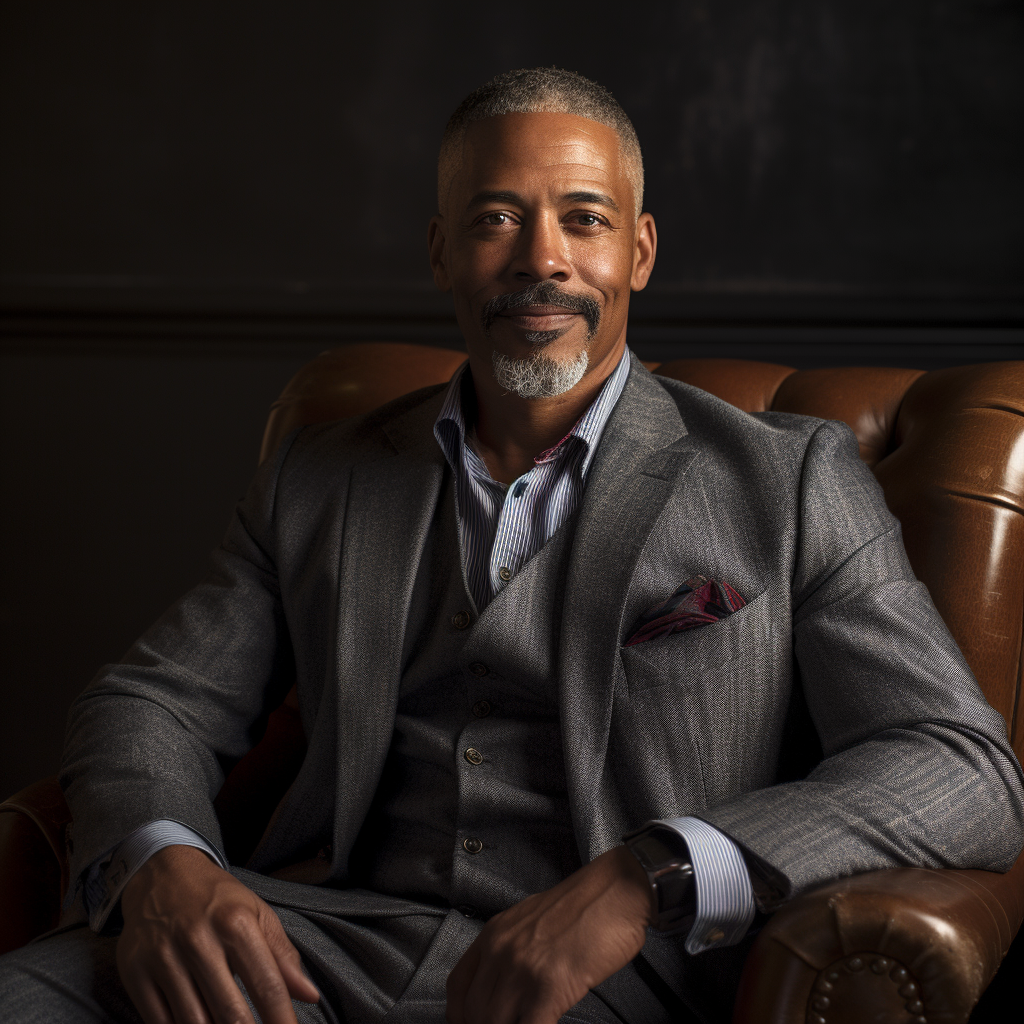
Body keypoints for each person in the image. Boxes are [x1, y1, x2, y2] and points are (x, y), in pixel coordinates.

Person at [2, 67, 1022, 1024]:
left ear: (638, 252)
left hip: (620, 982)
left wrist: (649, 874)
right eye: (499, 218)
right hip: (314, 943)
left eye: (584, 219)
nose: (542, 259)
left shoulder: (788, 479)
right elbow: (153, 701)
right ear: (442, 248)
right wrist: (162, 863)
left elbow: (959, 765)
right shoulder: (323, 472)